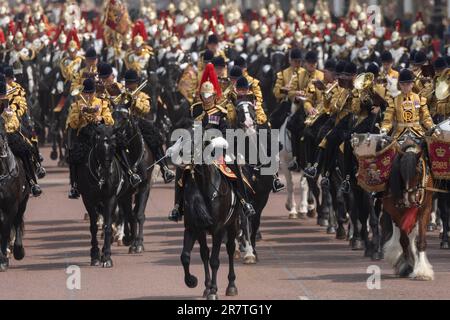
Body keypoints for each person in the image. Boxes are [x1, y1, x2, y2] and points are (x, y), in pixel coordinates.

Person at [168, 63, 256, 222]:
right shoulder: (195, 110)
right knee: (181, 170)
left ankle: (244, 202)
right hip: (197, 150)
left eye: (209, 95)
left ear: (214, 95)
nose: (206, 98)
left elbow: (225, 131)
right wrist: (178, 143)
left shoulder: (221, 112)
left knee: (234, 167)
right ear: (200, 95)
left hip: (217, 150)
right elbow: (189, 128)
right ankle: (177, 206)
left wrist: (218, 140)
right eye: (204, 95)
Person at [122, 69, 175, 183]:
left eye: (132, 83)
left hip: (139, 122)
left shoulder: (143, 96)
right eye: (127, 83)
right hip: (125, 123)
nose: (129, 85)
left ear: (137, 83)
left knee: (155, 138)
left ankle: (164, 168)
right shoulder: (122, 95)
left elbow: (146, 109)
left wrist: (134, 100)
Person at [66, 78, 114, 199]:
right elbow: (72, 124)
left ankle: (125, 175)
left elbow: (110, 120)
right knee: (73, 156)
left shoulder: (102, 103)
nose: (88, 95)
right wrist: (80, 114)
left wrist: (101, 119)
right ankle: (75, 185)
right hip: (84, 136)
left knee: (114, 149)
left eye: (90, 92)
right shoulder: (76, 105)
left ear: (94, 92)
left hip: (99, 135)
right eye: (85, 93)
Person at [0, 81, 41, 196]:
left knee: (25, 152)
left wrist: (6, 125)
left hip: (9, 135)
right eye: (0, 95)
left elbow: (15, 121)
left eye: (3, 95)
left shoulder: (7, 105)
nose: (2, 97)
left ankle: (32, 182)